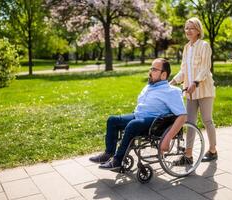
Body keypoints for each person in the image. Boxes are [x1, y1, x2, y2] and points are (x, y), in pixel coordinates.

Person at [89, 58, 187, 170]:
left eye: (154, 70)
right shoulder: (149, 86)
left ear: (164, 75)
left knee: (133, 125)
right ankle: (108, 154)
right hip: (138, 115)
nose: (150, 72)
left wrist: (167, 138)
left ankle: (117, 161)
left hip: (155, 123)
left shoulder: (171, 91)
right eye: (151, 68)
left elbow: (183, 116)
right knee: (112, 120)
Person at [162, 17, 218, 163]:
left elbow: (205, 68)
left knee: (207, 120)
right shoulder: (186, 48)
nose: (188, 31)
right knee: (189, 122)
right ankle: (188, 155)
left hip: (204, 89)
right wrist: (172, 82)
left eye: (191, 28)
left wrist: (195, 82)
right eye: (186, 28)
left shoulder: (204, 45)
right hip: (190, 91)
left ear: (198, 31)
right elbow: (183, 70)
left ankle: (213, 151)